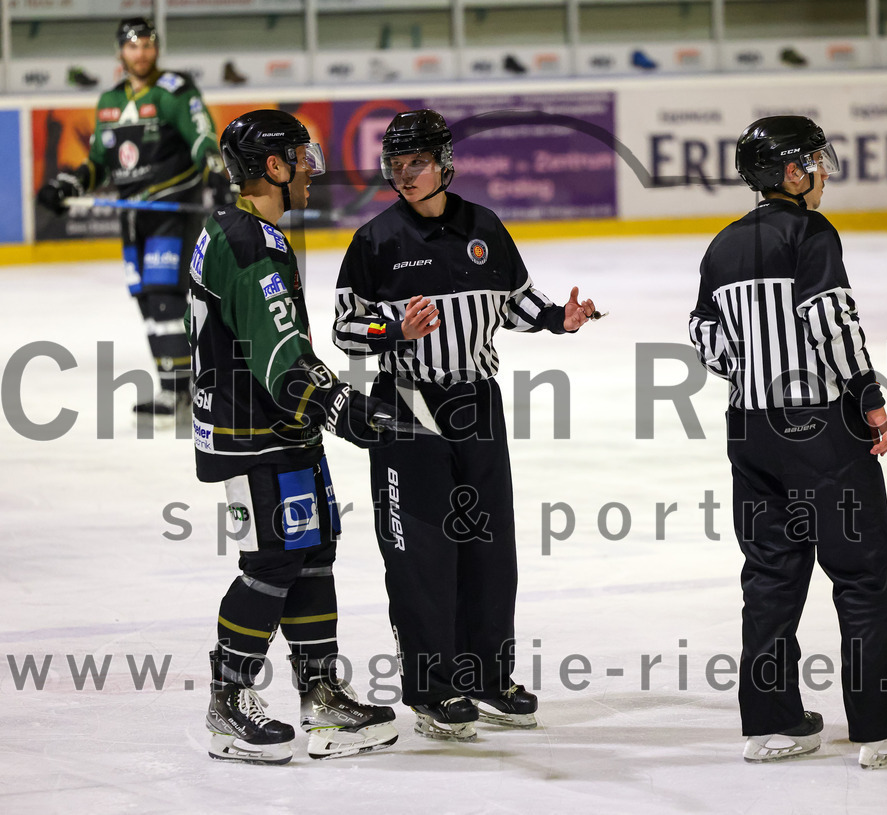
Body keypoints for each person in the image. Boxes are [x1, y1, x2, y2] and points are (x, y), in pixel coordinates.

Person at [333, 109, 599, 742]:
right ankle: (433, 687)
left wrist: (559, 319)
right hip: (407, 411)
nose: (404, 174)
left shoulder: (485, 228)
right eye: (395, 165)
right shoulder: (375, 241)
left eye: (416, 162)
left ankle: (487, 675)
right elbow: (346, 327)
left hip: (477, 406)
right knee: (422, 554)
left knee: (488, 546)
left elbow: (515, 303)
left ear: (444, 162)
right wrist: (394, 329)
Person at [689, 115, 887, 769]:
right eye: (815, 162)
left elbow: (704, 335)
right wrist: (869, 397)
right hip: (819, 424)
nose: (822, 174)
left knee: (770, 574)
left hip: (752, 429)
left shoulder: (723, 245)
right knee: (863, 572)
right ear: (793, 172)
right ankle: (877, 724)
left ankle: (772, 721)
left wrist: (755, 376)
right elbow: (831, 318)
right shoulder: (810, 231)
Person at [189, 108, 401, 764]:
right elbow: (282, 358)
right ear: (273, 168)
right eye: (301, 156)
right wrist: (344, 406)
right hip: (253, 431)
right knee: (274, 560)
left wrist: (325, 410)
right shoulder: (253, 245)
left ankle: (322, 696)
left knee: (312, 551)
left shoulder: (240, 230)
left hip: (276, 428)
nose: (312, 166)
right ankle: (229, 700)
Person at [36, 17, 232, 420]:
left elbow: (201, 134)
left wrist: (213, 167)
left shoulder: (173, 91)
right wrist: (67, 186)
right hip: (133, 219)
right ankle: (172, 388)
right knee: (147, 301)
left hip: (169, 211)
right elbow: (98, 164)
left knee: (166, 297)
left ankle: (189, 390)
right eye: (133, 46)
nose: (141, 53)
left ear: (156, 49)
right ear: (120, 52)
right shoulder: (109, 102)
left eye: (147, 45)